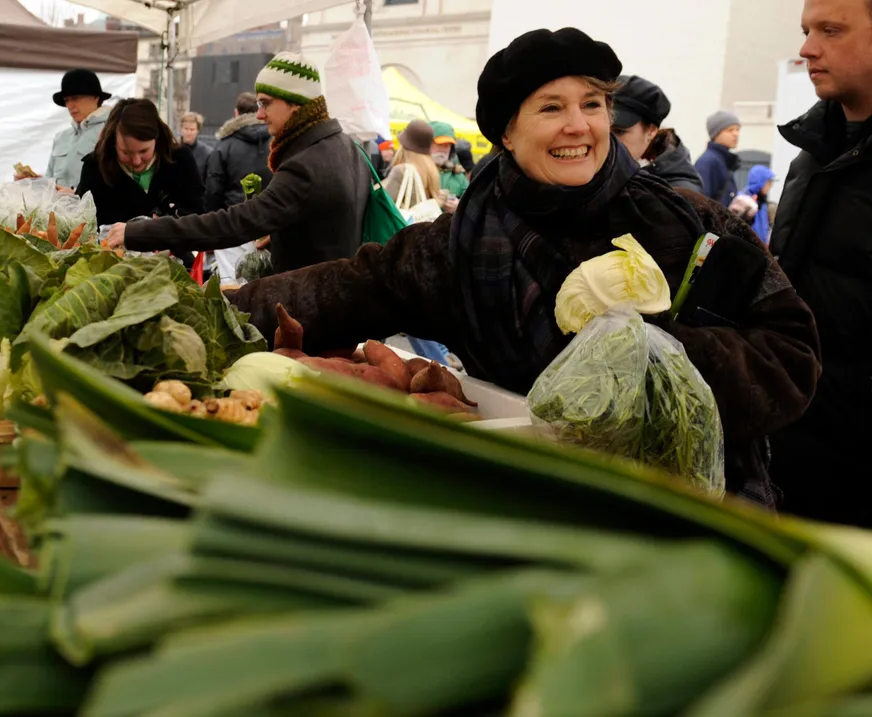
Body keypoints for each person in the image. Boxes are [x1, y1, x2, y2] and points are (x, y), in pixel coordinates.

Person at [227, 28, 821, 506]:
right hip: (529, 507)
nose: (578, 126)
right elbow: (352, 285)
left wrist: (657, 362)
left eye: (593, 104)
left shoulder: (692, 226)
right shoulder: (461, 244)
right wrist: (213, 310)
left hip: (692, 510)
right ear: (507, 132)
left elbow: (793, 354)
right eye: (551, 108)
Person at [103, 53, 372, 275]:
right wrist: (283, 232)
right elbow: (328, 223)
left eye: (266, 103)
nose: (259, 114)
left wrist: (138, 231)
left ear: (296, 105)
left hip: (314, 304)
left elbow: (233, 224)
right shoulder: (346, 146)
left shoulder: (306, 165)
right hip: (339, 292)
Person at [769, 0, 872, 528]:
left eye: (831, 30)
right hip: (795, 459)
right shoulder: (808, 155)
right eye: (808, 29)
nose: (807, 48)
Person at [75, 98, 203, 266]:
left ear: (156, 139)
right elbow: (84, 226)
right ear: (113, 142)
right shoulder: (95, 167)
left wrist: (167, 223)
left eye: (144, 151)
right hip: (112, 265)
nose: (136, 161)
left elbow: (198, 213)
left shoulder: (180, 160)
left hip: (174, 264)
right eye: (126, 153)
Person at [204, 92, 274, 283]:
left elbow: (213, 191)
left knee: (232, 287)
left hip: (231, 227)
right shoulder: (276, 142)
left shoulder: (224, 146)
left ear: (236, 113)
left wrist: (211, 230)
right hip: (269, 229)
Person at [20, 69, 111, 191]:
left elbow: (113, 185)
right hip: (57, 208)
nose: (69, 105)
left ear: (95, 97)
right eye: (66, 100)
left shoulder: (110, 132)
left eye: (75, 98)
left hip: (91, 209)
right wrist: (34, 182)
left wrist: (75, 194)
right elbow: (50, 179)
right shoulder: (61, 137)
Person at [611, 75, 703, 192]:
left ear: (651, 131)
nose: (608, 140)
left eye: (619, 131)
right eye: (604, 129)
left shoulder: (675, 194)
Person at [383, 119, 443, 205]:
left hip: (403, 217)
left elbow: (385, 204)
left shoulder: (401, 171)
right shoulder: (432, 170)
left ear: (404, 145)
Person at [695, 110, 742, 204]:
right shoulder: (708, 161)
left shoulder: (724, 161)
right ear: (716, 134)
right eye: (730, 130)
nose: (736, 134)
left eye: (737, 130)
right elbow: (701, 201)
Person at [729, 165, 775, 244]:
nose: (770, 187)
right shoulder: (742, 200)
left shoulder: (762, 203)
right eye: (768, 183)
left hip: (759, 251)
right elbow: (732, 225)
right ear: (760, 182)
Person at [429, 121, 470, 198]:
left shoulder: (458, 176)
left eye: (447, 145)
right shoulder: (416, 171)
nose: (443, 150)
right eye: (440, 144)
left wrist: (457, 206)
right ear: (428, 144)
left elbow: (471, 202)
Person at [180, 111, 212, 181]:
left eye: (192, 129)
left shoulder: (206, 153)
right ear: (181, 129)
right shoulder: (171, 150)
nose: (188, 133)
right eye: (186, 129)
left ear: (198, 131)